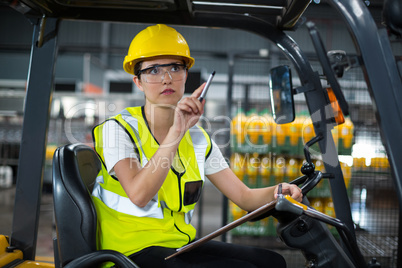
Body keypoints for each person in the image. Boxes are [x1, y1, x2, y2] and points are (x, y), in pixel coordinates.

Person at [91, 24, 303, 268]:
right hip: (128, 252)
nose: (167, 78)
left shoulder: (199, 139)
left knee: (271, 262)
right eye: (154, 70)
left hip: (176, 245)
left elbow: (244, 197)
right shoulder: (117, 130)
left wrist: (281, 190)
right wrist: (176, 132)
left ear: (185, 74)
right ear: (138, 81)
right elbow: (138, 195)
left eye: (175, 67)